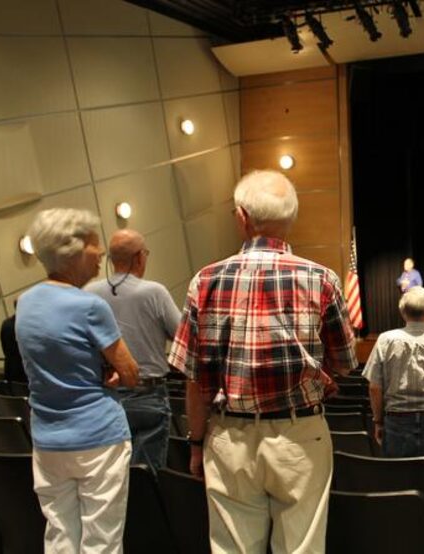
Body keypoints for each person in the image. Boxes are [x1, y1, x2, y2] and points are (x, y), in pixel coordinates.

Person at [168, 170, 358, 554]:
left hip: (228, 437)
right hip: (301, 436)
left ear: (241, 217)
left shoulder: (204, 280)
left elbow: (194, 378)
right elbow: (344, 362)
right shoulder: (321, 279)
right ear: (291, 219)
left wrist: (197, 442)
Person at [15, 208, 139, 553]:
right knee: (102, 540)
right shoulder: (89, 306)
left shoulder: (24, 303)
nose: (100, 253)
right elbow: (130, 373)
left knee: (59, 535)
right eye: (93, 244)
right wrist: (111, 373)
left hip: (47, 439)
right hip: (97, 438)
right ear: (71, 250)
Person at [85, 229, 181, 472]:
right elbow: (183, 336)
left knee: (117, 472)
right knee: (148, 473)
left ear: (110, 260)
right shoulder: (154, 292)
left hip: (106, 395)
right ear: (140, 257)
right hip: (148, 394)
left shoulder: (89, 294)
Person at [363, 287, 424, 461]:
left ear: (403, 312)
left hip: (396, 423)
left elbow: (374, 387)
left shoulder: (385, 340)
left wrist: (378, 421)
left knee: (400, 481)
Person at [0, 300, 26, 383]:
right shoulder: (23, 325)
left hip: (9, 367)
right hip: (22, 370)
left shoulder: (6, 323)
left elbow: (4, 346)